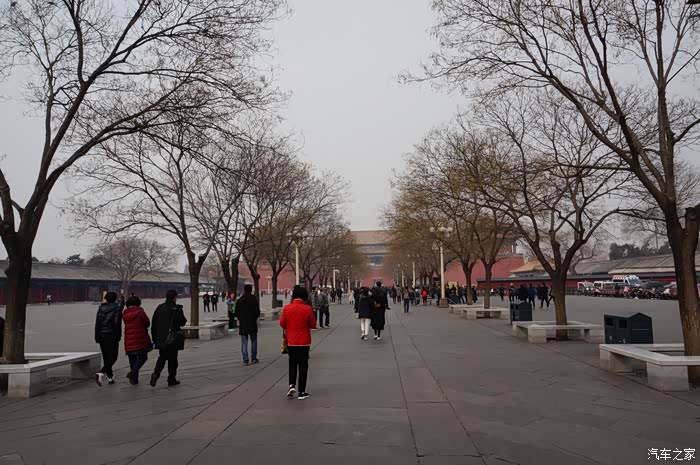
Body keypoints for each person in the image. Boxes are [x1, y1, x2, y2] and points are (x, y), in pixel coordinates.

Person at [280, 286, 316, 400]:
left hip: (291, 341)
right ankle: (301, 392)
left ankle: (291, 385)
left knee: (292, 363)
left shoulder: (287, 308)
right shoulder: (307, 309)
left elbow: (282, 323)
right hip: (304, 341)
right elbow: (313, 324)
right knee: (303, 365)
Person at [150, 290, 187, 387]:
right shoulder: (177, 308)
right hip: (172, 338)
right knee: (173, 359)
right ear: (175, 297)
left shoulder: (159, 308)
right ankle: (171, 379)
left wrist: (154, 338)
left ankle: (155, 374)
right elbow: (182, 322)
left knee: (162, 357)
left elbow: (154, 324)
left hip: (161, 338)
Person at [94, 291, 124, 386]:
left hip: (101, 335)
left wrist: (96, 336)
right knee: (113, 357)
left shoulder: (100, 308)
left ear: (106, 298)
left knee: (106, 357)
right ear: (115, 299)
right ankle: (101, 373)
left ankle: (110, 378)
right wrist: (118, 336)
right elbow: (117, 323)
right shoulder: (116, 308)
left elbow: (97, 323)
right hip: (112, 335)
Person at [122, 296, 152, 385]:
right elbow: (147, 323)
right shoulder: (140, 312)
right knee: (143, 357)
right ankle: (133, 372)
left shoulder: (125, 313)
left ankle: (134, 380)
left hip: (129, 339)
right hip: (140, 338)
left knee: (132, 360)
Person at [236, 284, 261, 366]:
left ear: (244, 290)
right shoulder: (254, 299)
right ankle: (253, 358)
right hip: (252, 323)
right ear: (251, 290)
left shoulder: (240, 300)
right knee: (254, 341)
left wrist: (241, 319)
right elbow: (257, 312)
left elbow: (236, 312)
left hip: (243, 324)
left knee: (244, 342)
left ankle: (245, 359)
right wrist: (254, 318)